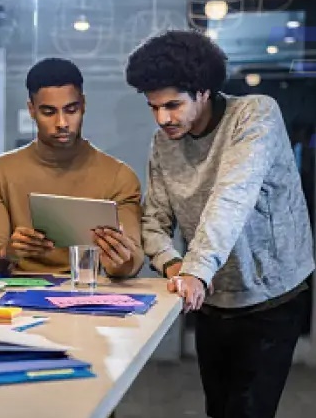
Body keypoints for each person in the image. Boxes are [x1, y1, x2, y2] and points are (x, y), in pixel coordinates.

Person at [126, 29, 313, 418]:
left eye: (173, 105)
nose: (162, 118)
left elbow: (232, 195)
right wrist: (174, 265)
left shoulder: (256, 115)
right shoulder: (163, 143)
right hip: (211, 298)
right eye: (152, 107)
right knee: (219, 409)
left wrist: (195, 269)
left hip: (272, 296)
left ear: (204, 91)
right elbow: (154, 220)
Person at [0, 57, 144, 277]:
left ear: (83, 104)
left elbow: (134, 258)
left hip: (87, 291)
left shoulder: (120, 176)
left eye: (71, 110)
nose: (62, 123)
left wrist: (119, 261)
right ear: (31, 110)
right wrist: (8, 251)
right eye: (48, 112)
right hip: (17, 296)